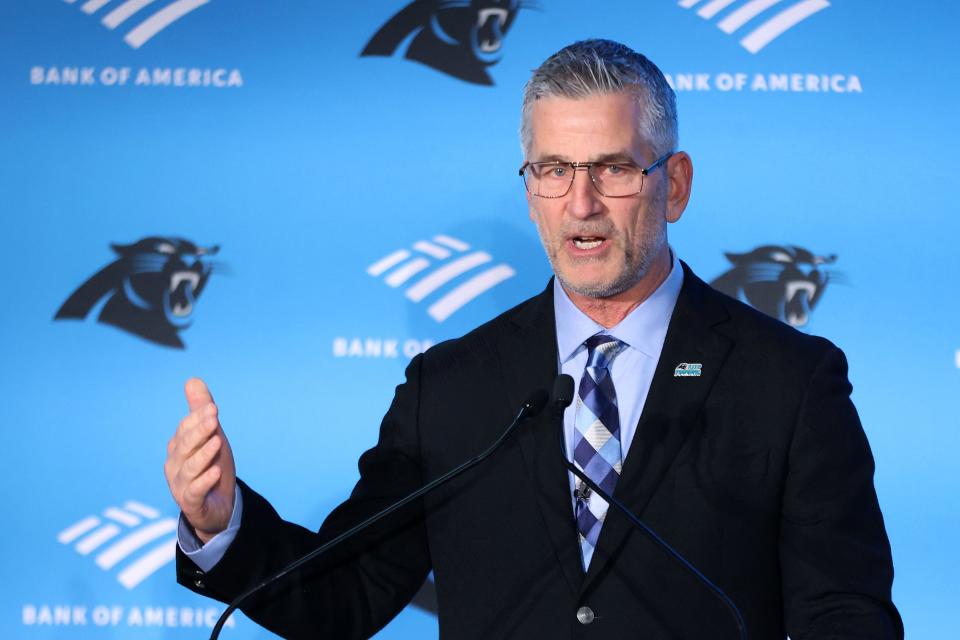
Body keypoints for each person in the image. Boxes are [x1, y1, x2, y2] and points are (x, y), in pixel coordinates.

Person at [166, 39, 903, 639]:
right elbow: (346, 594)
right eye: (553, 170)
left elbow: (843, 614)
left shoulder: (788, 381)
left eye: (613, 168)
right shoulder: (451, 389)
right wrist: (219, 521)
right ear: (530, 188)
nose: (580, 204)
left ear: (672, 184)